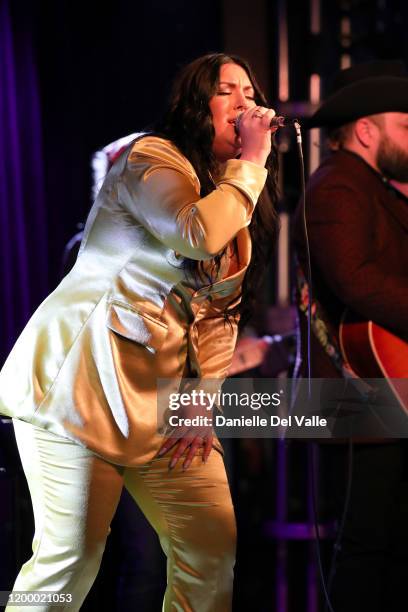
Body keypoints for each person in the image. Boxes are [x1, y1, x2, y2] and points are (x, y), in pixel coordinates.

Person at [0, 53, 279, 611]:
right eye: (229, 91)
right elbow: (192, 233)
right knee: (70, 557)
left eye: (252, 91)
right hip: (78, 389)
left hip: (161, 400)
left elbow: (220, 315)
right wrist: (252, 164)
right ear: (196, 106)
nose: (248, 104)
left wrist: (203, 401)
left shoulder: (233, 198)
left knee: (211, 547)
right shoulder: (150, 160)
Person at [294, 60, 408, 611]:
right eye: (404, 125)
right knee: (367, 545)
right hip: (359, 391)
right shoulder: (338, 186)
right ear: (367, 130)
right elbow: (356, 280)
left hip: (383, 391)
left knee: (387, 546)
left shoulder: (376, 188)